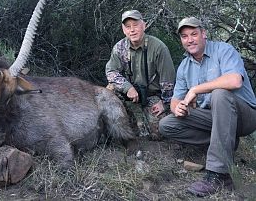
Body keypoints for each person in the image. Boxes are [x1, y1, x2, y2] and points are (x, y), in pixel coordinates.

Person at [159, 17, 256, 197]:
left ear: (204, 34)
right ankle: (226, 143)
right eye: (185, 36)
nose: (190, 40)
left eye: (194, 34)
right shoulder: (184, 66)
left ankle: (219, 175)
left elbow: (235, 81)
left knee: (220, 94)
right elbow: (175, 100)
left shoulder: (223, 50)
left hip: (246, 116)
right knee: (167, 124)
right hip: (215, 118)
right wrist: (177, 108)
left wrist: (195, 89)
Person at [106, 10, 175, 140]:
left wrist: (165, 103)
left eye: (135, 25)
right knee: (109, 91)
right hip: (130, 96)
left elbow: (168, 82)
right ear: (123, 30)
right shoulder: (119, 47)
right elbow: (111, 72)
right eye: (128, 26)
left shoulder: (159, 47)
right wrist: (128, 88)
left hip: (152, 95)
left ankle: (142, 124)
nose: (132, 30)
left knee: (159, 132)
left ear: (144, 25)